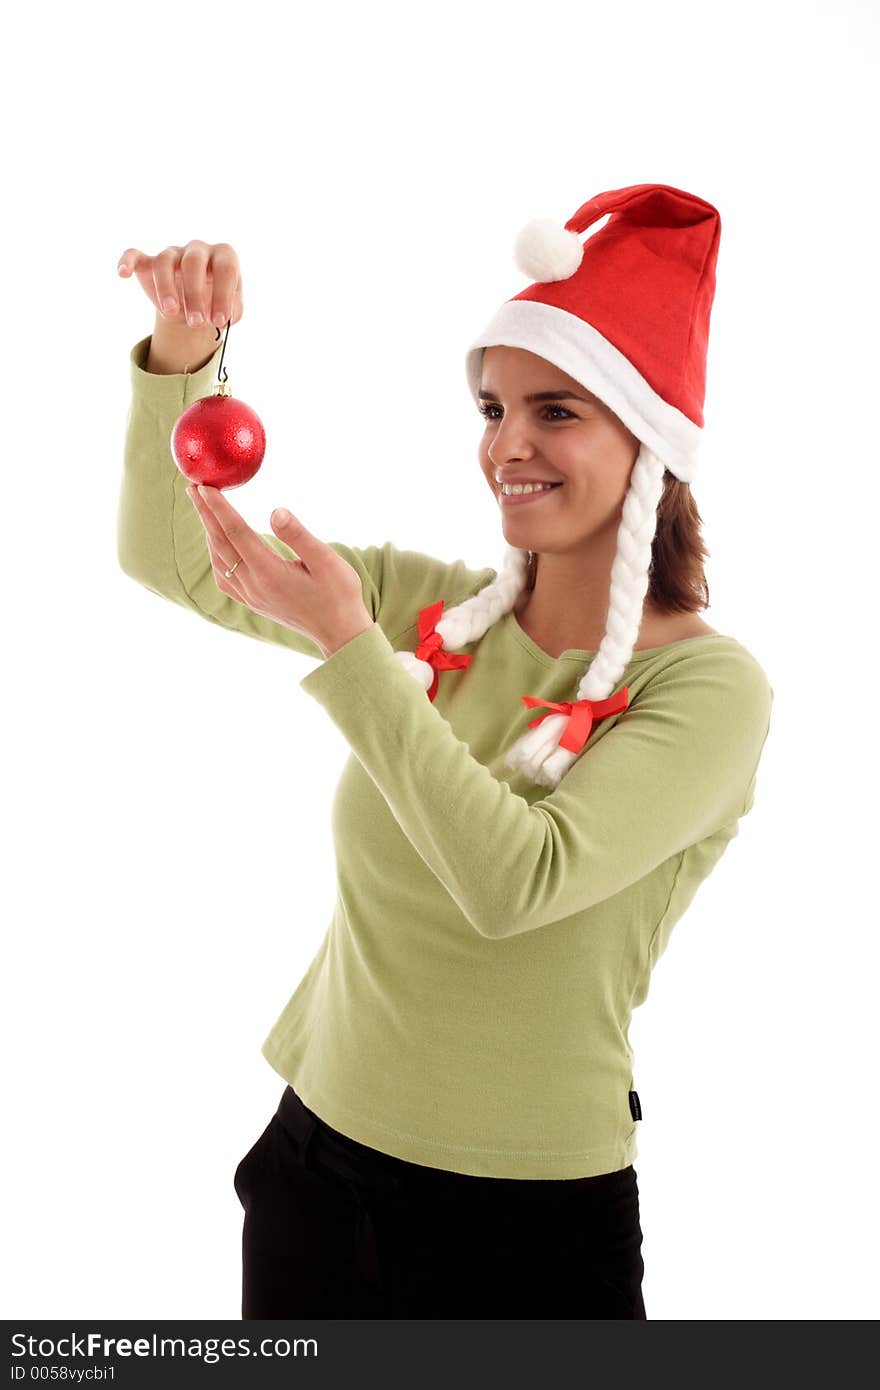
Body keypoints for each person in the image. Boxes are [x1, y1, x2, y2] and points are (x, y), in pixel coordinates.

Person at [115, 183, 774, 1319]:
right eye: (490, 409)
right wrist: (186, 359)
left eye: (555, 411)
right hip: (313, 1166)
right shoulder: (429, 612)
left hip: (525, 1227)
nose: (506, 445)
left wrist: (346, 644)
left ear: (648, 438)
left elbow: (515, 882)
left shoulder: (706, 689)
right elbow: (173, 563)